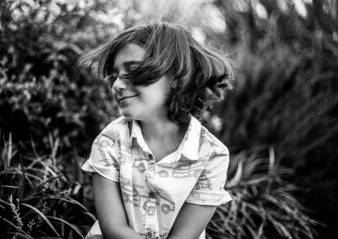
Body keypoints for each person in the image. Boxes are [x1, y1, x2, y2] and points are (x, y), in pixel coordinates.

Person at [78, 21, 234, 239]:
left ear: (176, 79)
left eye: (132, 71)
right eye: (116, 75)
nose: (116, 86)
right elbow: (113, 229)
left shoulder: (212, 155)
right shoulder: (110, 141)